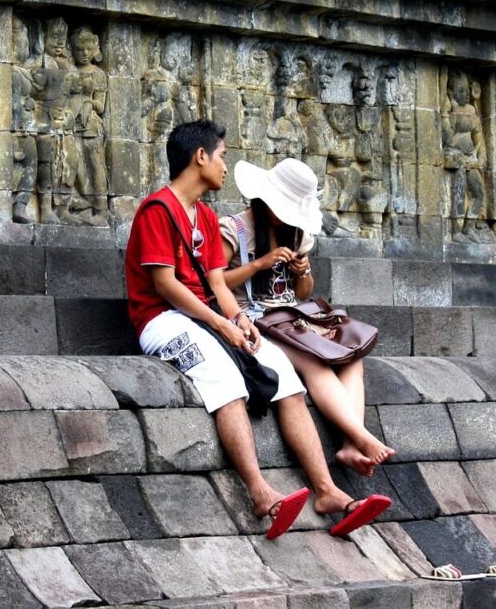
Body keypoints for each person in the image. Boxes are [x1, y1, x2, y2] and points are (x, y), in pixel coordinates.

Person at [125, 119, 389, 539]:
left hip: (205, 315)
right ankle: (260, 491)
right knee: (226, 378)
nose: (225, 167)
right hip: (161, 319)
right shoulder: (158, 209)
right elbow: (166, 285)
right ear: (200, 157)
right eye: (222, 156)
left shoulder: (207, 218)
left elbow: (216, 284)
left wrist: (240, 321)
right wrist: (220, 322)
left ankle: (326, 491)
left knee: (283, 373)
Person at [219, 157, 396, 476]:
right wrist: (260, 264)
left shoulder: (297, 234)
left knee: (350, 357)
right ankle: (362, 436)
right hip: (254, 320)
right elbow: (214, 281)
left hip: (293, 317)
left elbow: (303, 292)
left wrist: (303, 271)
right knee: (313, 362)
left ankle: (350, 445)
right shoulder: (235, 229)